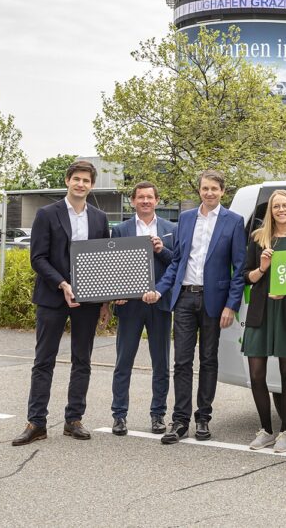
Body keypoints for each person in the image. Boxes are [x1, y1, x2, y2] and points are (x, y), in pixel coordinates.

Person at [142, 170, 246, 445]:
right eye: (205, 188)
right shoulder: (186, 219)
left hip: (214, 301)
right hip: (185, 298)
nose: (209, 192)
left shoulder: (234, 222)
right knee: (182, 362)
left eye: (214, 188)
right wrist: (159, 290)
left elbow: (239, 268)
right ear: (199, 190)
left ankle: (203, 418)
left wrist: (231, 305)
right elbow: (176, 261)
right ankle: (180, 421)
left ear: (223, 191)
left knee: (209, 360)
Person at [12, 160, 109, 446]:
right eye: (76, 179)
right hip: (53, 297)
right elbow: (37, 258)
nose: (81, 184)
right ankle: (36, 422)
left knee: (82, 360)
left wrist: (105, 303)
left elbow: (102, 262)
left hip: (88, 301)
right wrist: (62, 283)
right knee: (44, 361)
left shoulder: (100, 218)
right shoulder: (46, 214)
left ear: (92, 185)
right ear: (67, 181)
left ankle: (73, 419)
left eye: (86, 181)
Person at [241, 190, 286, 453]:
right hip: (261, 311)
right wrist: (262, 267)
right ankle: (265, 430)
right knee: (256, 374)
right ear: (270, 211)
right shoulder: (258, 238)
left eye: (285, 206)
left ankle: (285, 431)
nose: (281, 210)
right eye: (276, 206)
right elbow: (247, 277)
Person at [108, 182, 176, 436]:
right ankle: (119, 415)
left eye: (150, 197)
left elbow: (176, 264)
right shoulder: (121, 229)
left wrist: (162, 249)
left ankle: (158, 415)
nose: (145, 201)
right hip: (131, 306)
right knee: (123, 361)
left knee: (161, 363)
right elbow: (112, 265)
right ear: (133, 201)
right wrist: (117, 294)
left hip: (159, 303)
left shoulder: (170, 229)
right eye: (141, 197)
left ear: (157, 200)